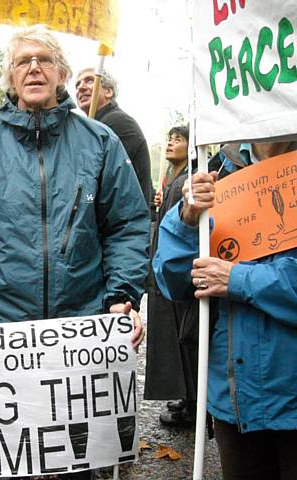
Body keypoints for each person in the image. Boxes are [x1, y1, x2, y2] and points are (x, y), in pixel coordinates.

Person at [0, 25, 150, 479]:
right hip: (1, 337)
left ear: (59, 73)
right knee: (8, 465)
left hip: (79, 339)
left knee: (75, 467)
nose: (33, 67)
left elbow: (127, 225)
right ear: (10, 78)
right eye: (22, 61)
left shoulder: (100, 143)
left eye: (43, 59)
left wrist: (122, 293)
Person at [153, 141, 297, 479]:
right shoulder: (216, 170)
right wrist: (186, 220)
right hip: (234, 398)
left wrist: (239, 279)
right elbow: (173, 282)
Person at [143, 126, 199, 427]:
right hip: (167, 267)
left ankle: (192, 404)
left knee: (185, 335)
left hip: (178, 271)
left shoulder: (186, 182)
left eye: (178, 140)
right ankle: (186, 397)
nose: (170, 143)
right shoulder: (172, 180)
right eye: (169, 138)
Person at [75, 68, 152, 208]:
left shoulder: (116, 123)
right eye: (77, 84)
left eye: (89, 80)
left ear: (108, 92)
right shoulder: (95, 125)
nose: (81, 87)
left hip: (124, 221)